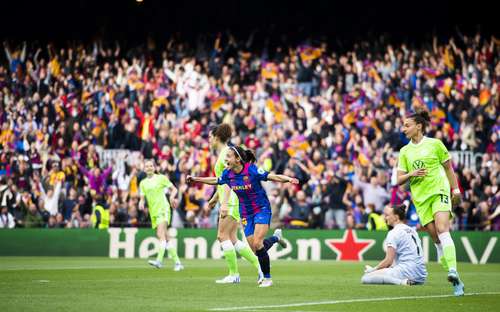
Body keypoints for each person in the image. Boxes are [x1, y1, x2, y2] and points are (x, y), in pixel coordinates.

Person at [187, 145, 299, 287]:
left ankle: (267, 278)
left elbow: (271, 176)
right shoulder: (228, 174)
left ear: (238, 159)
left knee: (258, 243)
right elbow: (216, 180)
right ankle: (276, 238)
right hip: (245, 212)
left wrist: (288, 179)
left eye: (229, 156)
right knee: (255, 248)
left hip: (261, 208)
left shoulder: (251, 170)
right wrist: (196, 179)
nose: (226, 159)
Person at [397, 110, 464, 296]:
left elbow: (449, 168)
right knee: (436, 238)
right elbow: (398, 180)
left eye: (407, 125)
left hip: (439, 191)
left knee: (443, 229)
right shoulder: (404, 152)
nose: (404, 129)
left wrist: (455, 190)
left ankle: (453, 271)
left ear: (419, 126)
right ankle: (455, 278)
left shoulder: (435, 144)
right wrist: (411, 174)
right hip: (420, 199)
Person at [208, 124, 268, 284]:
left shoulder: (224, 156)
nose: (208, 140)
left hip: (232, 201)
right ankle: (260, 268)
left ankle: (234, 274)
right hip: (233, 200)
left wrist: (224, 204)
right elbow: (224, 181)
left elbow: (229, 183)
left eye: (209, 137)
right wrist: (215, 199)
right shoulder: (225, 154)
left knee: (222, 236)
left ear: (216, 137)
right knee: (232, 238)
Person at [361, 204, 427, 285]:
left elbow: (388, 261)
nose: (386, 218)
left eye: (388, 215)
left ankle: (402, 282)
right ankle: (406, 281)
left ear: (396, 217)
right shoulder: (412, 230)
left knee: (366, 278)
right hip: (421, 275)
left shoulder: (394, 232)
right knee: (388, 270)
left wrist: (373, 270)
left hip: (407, 272)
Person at [139, 159, 183, 271]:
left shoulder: (161, 178)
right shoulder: (143, 183)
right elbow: (142, 198)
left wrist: (172, 197)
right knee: (166, 237)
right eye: (147, 166)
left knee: (160, 233)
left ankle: (159, 261)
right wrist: (141, 203)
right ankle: (178, 263)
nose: (149, 168)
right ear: (144, 169)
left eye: (151, 166)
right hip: (153, 212)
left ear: (154, 168)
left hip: (163, 209)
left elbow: (174, 189)